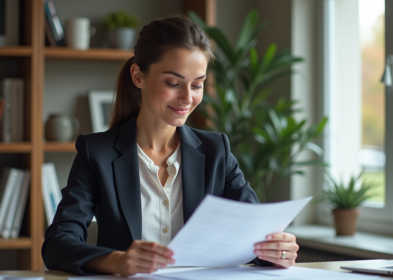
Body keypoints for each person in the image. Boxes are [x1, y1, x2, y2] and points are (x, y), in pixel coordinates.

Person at [41, 15, 299, 276]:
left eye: (197, 84)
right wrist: (117, 261)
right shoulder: (96, 153)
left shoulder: (216, 151)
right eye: (173, 83)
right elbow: (57, 245)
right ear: (138, 76)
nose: (188, 98)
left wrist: (277, 251)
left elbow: (255, 236)